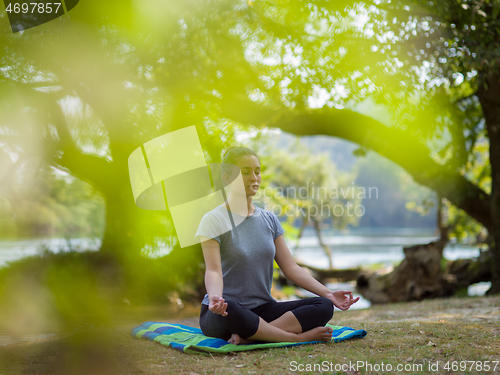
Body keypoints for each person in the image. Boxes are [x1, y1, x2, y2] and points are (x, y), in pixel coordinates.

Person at [195, 146, 359, 345]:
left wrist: (329, 293)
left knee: (323, 306)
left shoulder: (269, 220)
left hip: (263, 310)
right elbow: (213, 271)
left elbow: (290, 268)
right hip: (225, 311)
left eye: (257, 171)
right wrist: (214, 298)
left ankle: (252, 337)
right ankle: (295, 337)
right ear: (227, 178)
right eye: (245, 172)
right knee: (233, 309)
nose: (254, 177)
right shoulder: (213, 220)